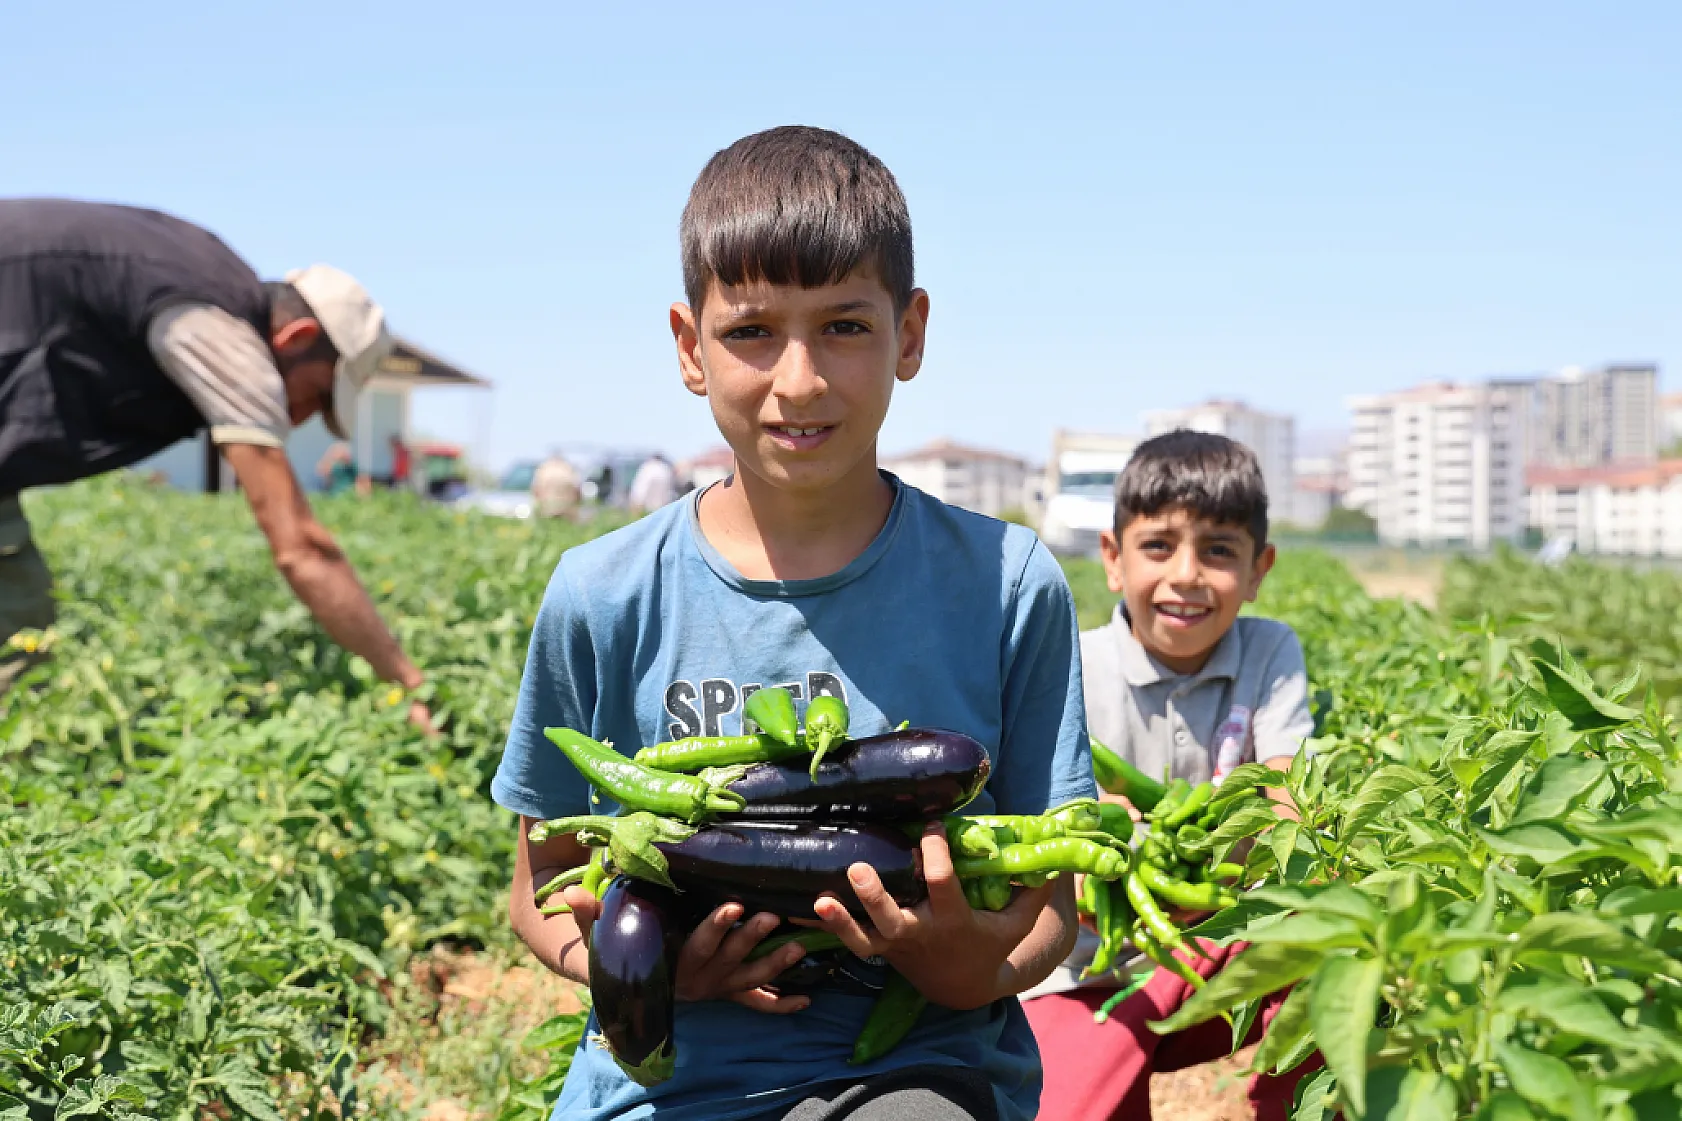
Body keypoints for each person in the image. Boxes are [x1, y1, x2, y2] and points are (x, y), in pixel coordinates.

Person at [493, 126, 1093, 1121]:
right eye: (752, 331)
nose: (800, 377)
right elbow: (541, 882)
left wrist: (965, 965)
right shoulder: (602, 590)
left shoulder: (1003, 581)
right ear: (690, 348)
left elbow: (1047, 908)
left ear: (910, 332)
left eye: (845, 327)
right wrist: (644, 967)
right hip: (659, 1087)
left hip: (915, 1072)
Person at [0, 198, 435, 731]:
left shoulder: (202, 270)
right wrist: (408, 681)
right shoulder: (220, 328)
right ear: (294, 339)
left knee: (19, 614)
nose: (299, 420)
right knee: (16, 628)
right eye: (315, 396)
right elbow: (301, 548)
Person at [1019, 430, 1319, 1121]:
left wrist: (1197, 861)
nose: (1186, 573)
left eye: (1219, 549)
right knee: (1072, 1106)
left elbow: (1285, 796)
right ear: (1112, 559)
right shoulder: (1072, 659)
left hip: (1222, 941)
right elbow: (1057, 816)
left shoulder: (1268, 649)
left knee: (1344, 963)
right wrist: (1095, 840)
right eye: (1158, 546)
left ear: (1258, 569)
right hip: (1087, 967)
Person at [531, 454, 582, 519]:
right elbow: (578, 491)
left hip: (548, 509)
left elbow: (536, 491)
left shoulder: (544, 470)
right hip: (568, 510)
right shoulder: (568, 469)